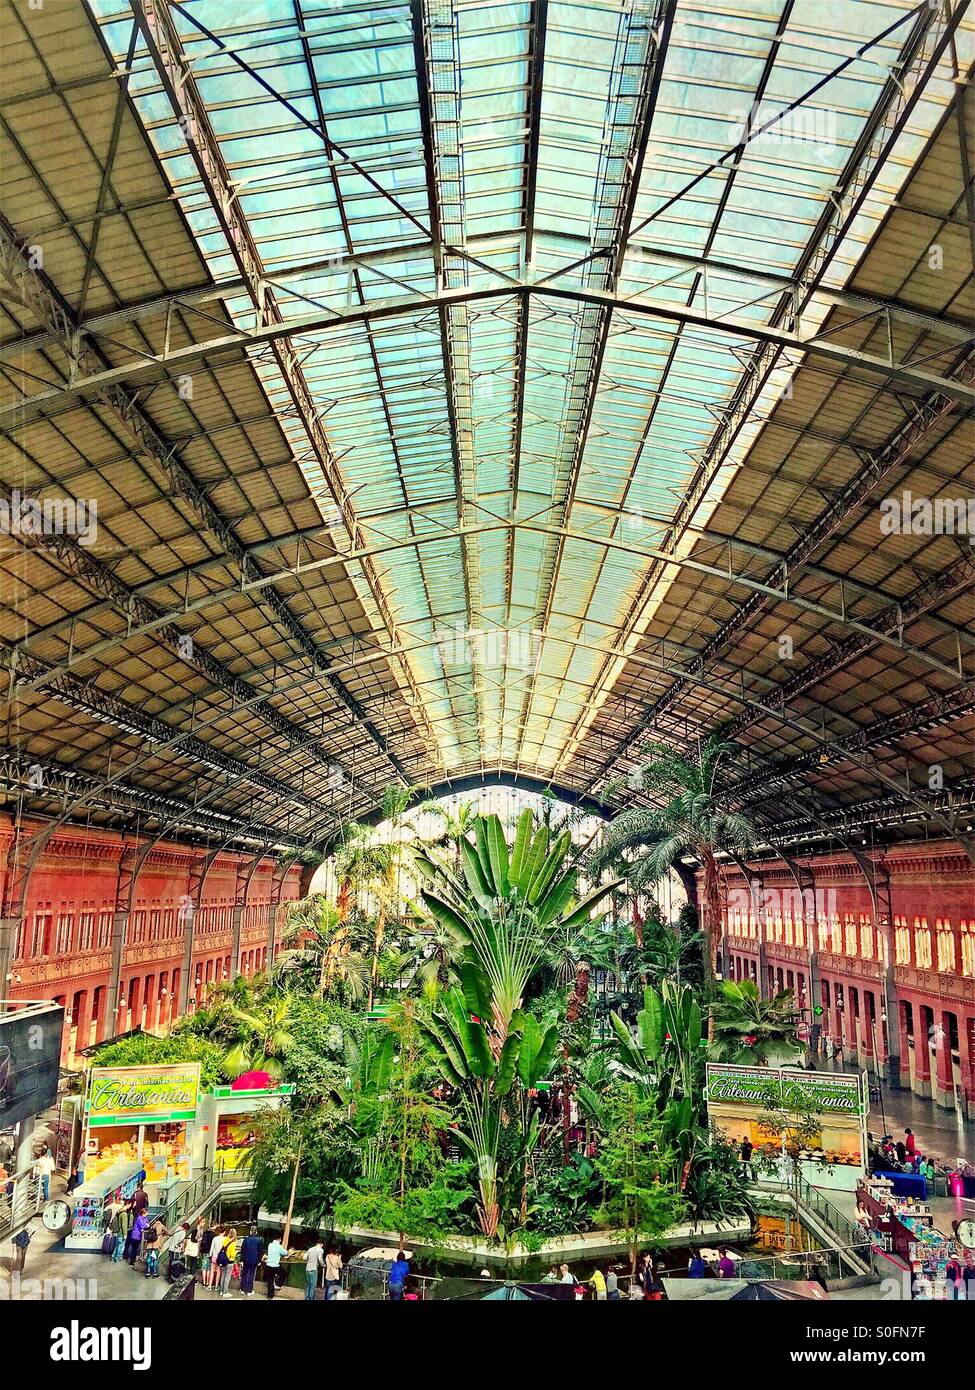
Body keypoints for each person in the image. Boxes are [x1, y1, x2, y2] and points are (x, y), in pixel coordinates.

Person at [239, 1226, 263, 1296]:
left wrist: (241, 1260)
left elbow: (242, 1250)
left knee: (244, 1274)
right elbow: (260, 1251)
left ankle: (242, 1289)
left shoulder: (246, 1239)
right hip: (254, 1260)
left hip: (246, 1259)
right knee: (251, 1275)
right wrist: (259, 1261)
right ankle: (249, 1290)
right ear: (256, 1232)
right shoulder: (259, 1240)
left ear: (250, 1231)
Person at [265, 1232, 288, 1299]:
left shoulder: (270, 1245)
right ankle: (278, 1285)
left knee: (270, 1281)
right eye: (280, 1240)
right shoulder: (279, 1247)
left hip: (268, 1265)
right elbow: (285, 1253)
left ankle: (270, 1296)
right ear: (279, 1239)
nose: (280, 1241)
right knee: (284, 1273)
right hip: (275, 1266)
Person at [217, 1227, 238, 1297]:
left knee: (223, 1275)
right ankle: (225, 1292)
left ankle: (221, 1291)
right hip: (230, 1261)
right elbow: (232, 1254)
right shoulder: (233, 1243)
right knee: (227, 1277)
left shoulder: (226, 1239)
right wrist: (236, 1252)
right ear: (235, 1234)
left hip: (223, 1260)